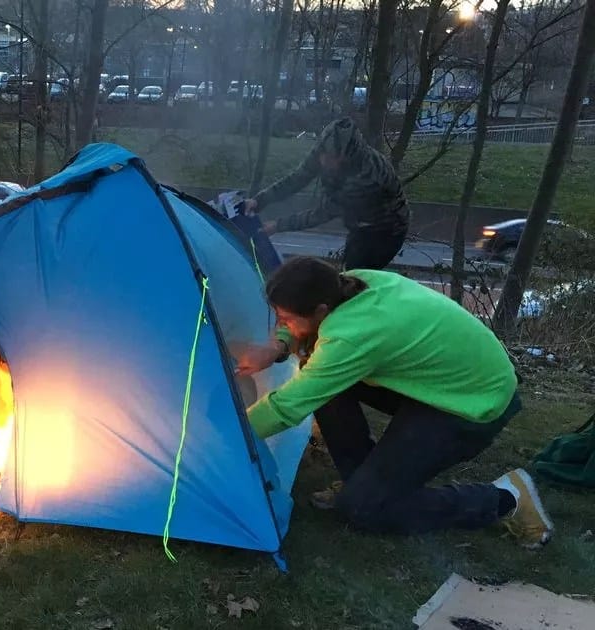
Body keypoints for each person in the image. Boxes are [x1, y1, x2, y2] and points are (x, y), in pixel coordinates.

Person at [236, 256, 553, 547]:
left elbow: (286, 407)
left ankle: (505, 498)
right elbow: (304, 337)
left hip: (473, 402)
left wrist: (232, 433)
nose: (282, 324)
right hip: (441, 377)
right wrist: (277, 346)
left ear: (320, 310)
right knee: (318, 371)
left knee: (364, 509)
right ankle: (360, 479)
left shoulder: (352, 335)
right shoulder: (350, 282)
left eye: (286, 319)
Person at [241, 117, 408, 270]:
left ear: (346, 158)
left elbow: (321, 214)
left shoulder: (366, 177)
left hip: (387, 230)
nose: (322, 161)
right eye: (322, 153)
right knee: (349, 271)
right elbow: (297, 179)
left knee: (356, 277)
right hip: (360, 224)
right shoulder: (325, 149)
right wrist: (259, 201)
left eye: (331, 158)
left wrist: (278, 225)